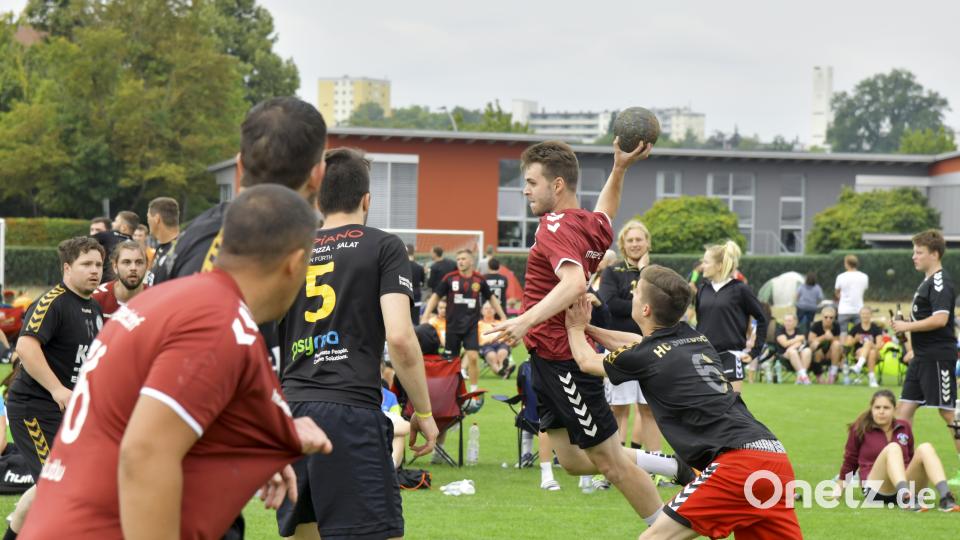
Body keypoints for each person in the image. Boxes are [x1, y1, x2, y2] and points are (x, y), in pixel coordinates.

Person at [18, 186, 334, 539]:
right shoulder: (218, 322)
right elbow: (145, 453)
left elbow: (146, 412)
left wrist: (267, 441)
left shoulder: (167, 302)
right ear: (294, 263)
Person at [486, 139, 691, 528]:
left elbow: (575, 282)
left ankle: (665, 531)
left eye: (531, 182)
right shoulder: (587, 223)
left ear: (557, 185)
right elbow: (607, 211)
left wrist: (524, 320)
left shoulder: (554, 226)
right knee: (574, 461)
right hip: (546, 359)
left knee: (610, 464)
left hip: (564, 359)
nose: (525, 189)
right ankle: (669, 465)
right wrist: (620, 168)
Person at [565, 265, 802, 539]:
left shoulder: (647, 355)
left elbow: (586, 361)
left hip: (737, 465)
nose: (632, 295)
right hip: (773, 457)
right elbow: (637, 343)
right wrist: (589, 328)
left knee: (653, 538)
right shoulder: (692, 335)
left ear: (645, 310)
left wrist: (573, 326)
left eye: (636, 292)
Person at [277, 148, 438, 540]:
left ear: (317, 198)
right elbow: (400, 338)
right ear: (368, 200)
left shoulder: (290, 251)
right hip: (348, 411)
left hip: (292, 412)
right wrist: (425, 410)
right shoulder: (384, 246)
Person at [4, 237, 105, 539]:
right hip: (34, 408)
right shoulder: (52, 302)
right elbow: (25, 346)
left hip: (68, 411)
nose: (94, 271)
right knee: (58, 485)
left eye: (98, 265)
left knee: (50, 486)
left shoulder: (94, 308)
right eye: (86, 264)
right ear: (67, 267)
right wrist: (57, 389)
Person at [892, 229, 960, 486]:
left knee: (948, 413)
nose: (914, 256)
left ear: (934, 254)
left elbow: (941, 319)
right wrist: (909, 339)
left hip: (937, 358)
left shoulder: (941, 282)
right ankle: (904, 468)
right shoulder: (927, 281)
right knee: (903, 411)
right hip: (921, 357)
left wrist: (906, 327)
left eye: (919, 252)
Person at [837, 389, 959, 512]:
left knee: (925, 448)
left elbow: (911, 458)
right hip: (877, 488)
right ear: (871, 409)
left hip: (906, 483)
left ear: (894, 410)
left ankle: (946, 498)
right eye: (877, 407)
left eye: (886, 408)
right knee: (893, 448)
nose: (881, 412)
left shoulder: (904, 426)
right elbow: (850, 461)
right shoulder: (859, 428)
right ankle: (905, 496)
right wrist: (839, 489)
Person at [598, 221, 661, 453]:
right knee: (619, 408)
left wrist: (644, 274)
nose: (635, 244)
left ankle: (657, 467)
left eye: (639, 239)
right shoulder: (612, 272)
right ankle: (617, 463)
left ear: (647, 242)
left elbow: (662, 306)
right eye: (630, 240)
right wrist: (643, 305)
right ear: (623, 244)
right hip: (619, 347)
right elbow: (610, 304)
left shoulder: (656, 272)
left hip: (651, 347)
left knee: (649, 409)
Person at [421, 249, 507, 392]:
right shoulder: (450, 278)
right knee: (451, 361)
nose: (460, 261)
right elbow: (435, 296)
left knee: (473, 357)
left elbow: (491, 298)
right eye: (458, 259)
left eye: (463, 259)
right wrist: (425, 316)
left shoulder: (479, 279)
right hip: (452, 326)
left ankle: (473, 391)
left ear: (471, 261)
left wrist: (503, 316)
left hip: (471, 326)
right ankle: (450, 390)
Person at [694, 240, 766, 393]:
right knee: (705, 412)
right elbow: (701, 324)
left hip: (731, 357)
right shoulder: (702, 290)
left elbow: (762, 318)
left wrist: (754, 352)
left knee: (732, 412)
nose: (702, 266)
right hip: (704, 357)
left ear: (719, 266)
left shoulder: (740, 290)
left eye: (706, 262)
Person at [91, 240, 148, 318]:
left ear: (146, 266)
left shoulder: (157, 299)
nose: (133, 268)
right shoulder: (97, 298)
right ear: (115, 267)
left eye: (139, 262)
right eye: (126, 262)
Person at [91, 211, 137, 283]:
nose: (112, 223)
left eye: (116, 221)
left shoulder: (109, 235)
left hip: (105, 282)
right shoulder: (135, 246)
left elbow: (85, 241)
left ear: (124, 228)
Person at [144, 196, 180, 286]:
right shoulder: (161, 248)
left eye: (148, 217)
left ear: (157, 218)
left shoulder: (179, 250)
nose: (147, 221)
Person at [847, 305, 883, 388]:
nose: (865, 316)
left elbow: (879, 345)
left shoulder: (876, 328)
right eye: (863, 313)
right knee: (871, 352)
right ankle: (872, 379)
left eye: (867, 314)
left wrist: (870, 344)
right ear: (860, 315)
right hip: (858, 353)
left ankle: (858, 366)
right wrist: (855, 340)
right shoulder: (855, 328)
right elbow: (847, 344)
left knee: (869, 345)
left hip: (875, 353)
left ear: (871, 315)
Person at [808, 306, 844, 384]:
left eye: (831, 318)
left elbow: (837, 342)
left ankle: (833, 372)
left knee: (837, 344)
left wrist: (831, 338)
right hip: (817, 351)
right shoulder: (816, 325)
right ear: (822, 317)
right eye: (826, 317)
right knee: (815, 345)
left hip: (830, 352)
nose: (828, 319)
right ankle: (818, 375)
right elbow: (810, 341)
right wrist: (824, 337)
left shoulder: (836, 326)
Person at [835, 254, 869, 336]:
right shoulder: (864, 276)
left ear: (847, 264)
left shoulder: (841, 277)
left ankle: (844, 348)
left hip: (844, 309)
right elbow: (864, 289)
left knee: (843, 332)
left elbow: (837, 292)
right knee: (858, 332)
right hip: (858, 309)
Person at [774, 313, 813, 384]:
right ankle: (804, 376)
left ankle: (800, 378)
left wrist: (792, 346)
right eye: (786, 321)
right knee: (792, 352)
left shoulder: (799, 330)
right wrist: (796, 340)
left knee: (807, 350)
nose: (787, 323)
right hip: (784, 355)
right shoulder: (780, 330)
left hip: (799, 353)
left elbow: (801, 343)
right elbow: (784, 344)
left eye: (790, 321)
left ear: (795, 322)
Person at [478, 302, 513, 378]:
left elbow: (507, 335)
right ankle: (504, 372)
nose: (489, 310)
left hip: (501, 343)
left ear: (495, 311)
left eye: (491, 308)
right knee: (492, 356)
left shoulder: (500, 323)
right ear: (482, 311)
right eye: (486, 308)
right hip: (485, 346)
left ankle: (502, 369)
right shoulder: (478, 324)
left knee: (502, 353)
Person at [407, 244, 426, 322]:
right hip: (416, 294)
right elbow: (423, 281)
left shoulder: (400, 267)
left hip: (405, 294)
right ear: (414, 253)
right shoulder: (419, 267)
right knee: (415, 320)